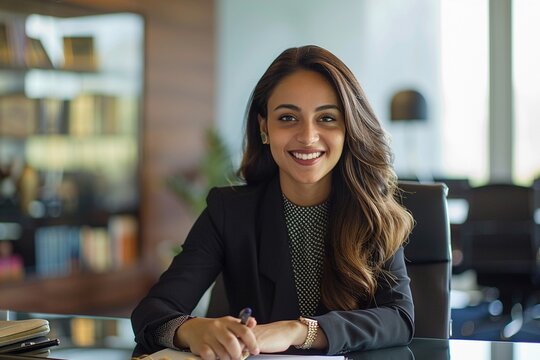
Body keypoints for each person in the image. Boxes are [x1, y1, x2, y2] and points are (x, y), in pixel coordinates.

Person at [131, 45, 414, 358]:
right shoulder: (229, 211)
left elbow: (399, 319)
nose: (308, 136)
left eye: (327, 118)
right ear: (264, 127)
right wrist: (191, 329)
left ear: (349, 127)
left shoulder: (372, 212)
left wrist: (300, 330)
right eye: (288, 117)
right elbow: (153, 312)